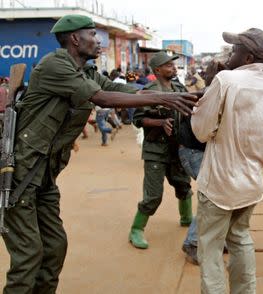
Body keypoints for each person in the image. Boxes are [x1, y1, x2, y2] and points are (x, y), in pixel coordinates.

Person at [0, 15, 196, 294]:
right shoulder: (55, 65)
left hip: (43, 176)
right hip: (19, 174)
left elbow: (119, 88)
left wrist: (185, 95)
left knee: (55, 248)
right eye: (94, 35)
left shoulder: (87, 72)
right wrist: (163, 98)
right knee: (28, 256)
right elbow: (102, 98)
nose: (100, 41)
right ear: (75, 39)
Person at [192, 28, 263, 293]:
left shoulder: (226, 80)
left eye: (235, 49)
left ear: (248, 57)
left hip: (219, 182)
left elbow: (201, 131)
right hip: (251, 181)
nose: (230, 53)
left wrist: (209, 86)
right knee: (241, 238)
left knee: (210, 247)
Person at [128, 51, 193, 250]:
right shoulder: (149, 91)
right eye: (169, 65)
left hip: (177, 148)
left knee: (183, 185)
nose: (174, 68)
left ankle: (186, 218)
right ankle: (136, 230)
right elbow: (138, 120)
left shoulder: (179, 88)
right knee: (153, 195)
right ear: (158, 70)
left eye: (174, 65)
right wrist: (160, 122)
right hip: (156, 149)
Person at [180, 60, 226, 265]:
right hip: (193, 152)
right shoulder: (209, 95)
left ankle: (217, 238)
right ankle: (192, 242)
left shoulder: (216, 93)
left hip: (201, 152)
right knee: (214, 195)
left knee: (222, 194)